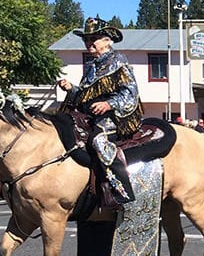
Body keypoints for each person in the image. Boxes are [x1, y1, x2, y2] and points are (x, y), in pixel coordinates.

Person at [58, 17, 143, 204]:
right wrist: (71, 88)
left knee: (98, 140)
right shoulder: (91, 66)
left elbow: (131, 92)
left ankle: (121, 190)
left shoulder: (118, 60)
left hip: (113, 115)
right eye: (86, 40)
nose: (89, 43)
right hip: (89, 114)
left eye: (93, 39)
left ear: (106, 40)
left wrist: (109, 104)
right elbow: (85, 94)